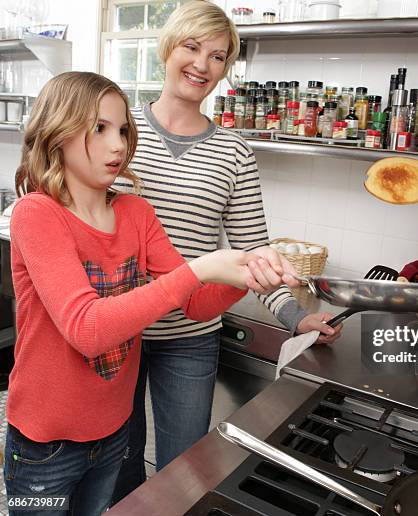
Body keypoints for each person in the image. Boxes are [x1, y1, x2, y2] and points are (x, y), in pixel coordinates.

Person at [3, 71, 296, 516]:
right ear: (57, 132)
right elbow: (87, 329)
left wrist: (244, 277)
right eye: (98, 128)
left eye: (123, 129)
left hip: (113, 434)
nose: (118, 145)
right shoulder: (38, 214)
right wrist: (201, 267)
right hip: (46, 446)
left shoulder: (136, 212)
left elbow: (195, 303)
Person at [111, 0, 343, 501]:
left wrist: (295, 318)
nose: (201, 64)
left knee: (185, 466)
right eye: (192, 47)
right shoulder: (117, 132)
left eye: (218, 56)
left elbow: (253, 251)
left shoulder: (234, 152)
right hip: (120, 330)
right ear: (167, 48)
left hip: (191, 335)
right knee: (119, 460)